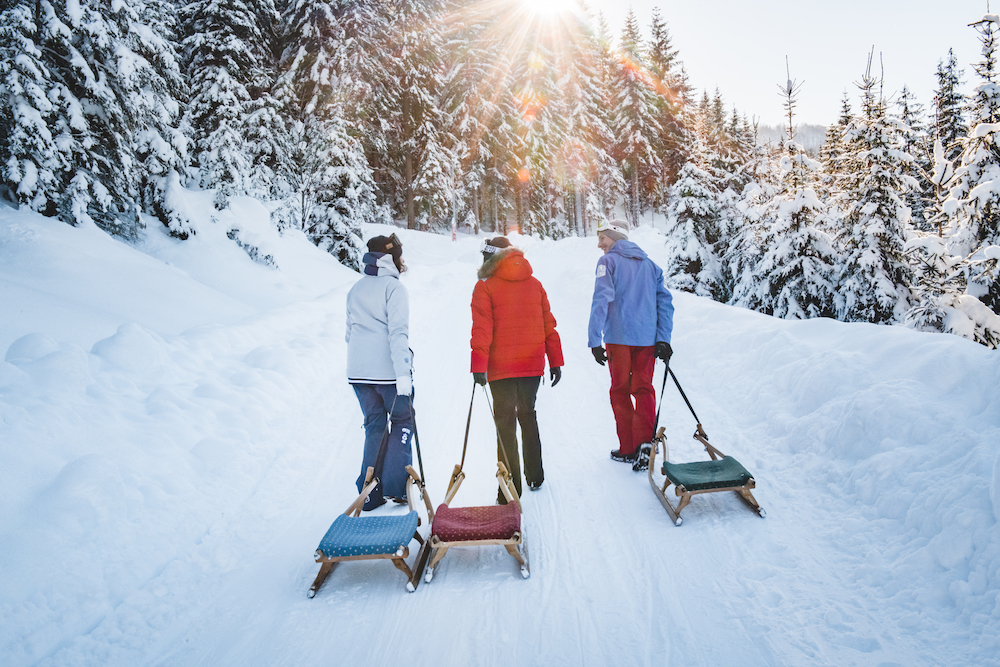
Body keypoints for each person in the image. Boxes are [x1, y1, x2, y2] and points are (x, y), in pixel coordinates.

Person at [471, 237, 564, 501]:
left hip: (500, 367)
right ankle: (535, 476)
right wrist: (555, 360)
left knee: (505, 423)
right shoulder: (535, 284)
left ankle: (510, 489)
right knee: (528, 414)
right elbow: (549, 326)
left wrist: (479, 366)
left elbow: (481, 330)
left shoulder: (485, 287)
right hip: (532, 366)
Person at [587, 219, 674, 467]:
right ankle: (645, 444)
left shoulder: (608, 262)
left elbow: (601, 300)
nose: (599, 244)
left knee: (621, 391)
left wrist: (594, 340)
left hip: (619, 339)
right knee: (644, 389)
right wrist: (662, 338)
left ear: (614, 237)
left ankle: (628, 448)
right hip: (647, 341)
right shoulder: (651, 266)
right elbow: (665, 304)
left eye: (602, 238)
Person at [346, 233, 414, 508]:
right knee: (402, 421)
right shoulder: (394, 289)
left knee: (374, 426)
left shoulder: (356, 288)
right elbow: (398, 333)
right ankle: (397, 487)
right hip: (388, 374)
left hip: (358, 373)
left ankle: (369, 493)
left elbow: (349, 333)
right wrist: (403, 374)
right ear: (391, 258)